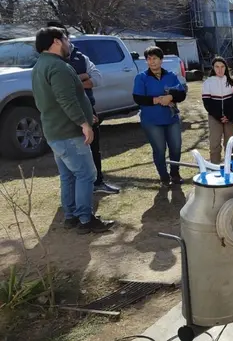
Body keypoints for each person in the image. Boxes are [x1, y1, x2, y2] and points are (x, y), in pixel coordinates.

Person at [32, 26, 113, 234]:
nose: (69, 43)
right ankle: (85, 220)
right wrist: (84, 124)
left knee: (68, 175)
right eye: (66, 39)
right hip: (68, 133)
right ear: (57, 42)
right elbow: (66, 100)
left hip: (55, 131)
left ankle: (71, 216)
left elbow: (59, 99)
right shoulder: (58, 67)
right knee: (86, 174)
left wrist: (89, 115)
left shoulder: (40, 65)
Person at [46, 21, 119, 195]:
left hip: (88, 109)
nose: (64, 40)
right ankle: (76, 193)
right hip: (65, 113)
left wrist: (78, 79)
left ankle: (98, 182)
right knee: (71, 154)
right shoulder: (49, 62)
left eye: (64, 36)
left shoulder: (80, 56)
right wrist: (82, 78)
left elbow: (98, 78)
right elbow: (57, 88)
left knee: (94, 148)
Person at [132, 46, 187, 187]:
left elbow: (181, 94)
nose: (152, 62)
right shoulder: (142, 78)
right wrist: (157, 100)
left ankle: (175, 173)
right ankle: (164, 177)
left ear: (161, 60)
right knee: (159, 149)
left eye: (154, 58)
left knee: (175, 147)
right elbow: (138, 98)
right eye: (149, 59)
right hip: (152, 121)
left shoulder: (171, 76)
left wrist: (170, 96)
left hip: (171, 118)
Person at [202, 56, 233, 164]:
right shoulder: (207, 83)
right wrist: (219, 116)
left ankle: (231, 168)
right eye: (217, 67)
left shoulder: (232, 82)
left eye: (222, 67)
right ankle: (215, 168)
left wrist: (229, 116)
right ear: (213, 68)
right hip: (215, 117)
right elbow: (207, 103)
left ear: (226, 68)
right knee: (214, 144)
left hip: (230, 118)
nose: (220, 69)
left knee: (230, 144)